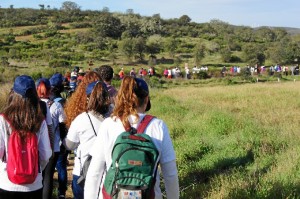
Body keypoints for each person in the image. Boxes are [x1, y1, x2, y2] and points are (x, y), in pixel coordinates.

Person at [84, 76, 179, 199]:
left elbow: (95, 173)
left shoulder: (108, 124)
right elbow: (170, 174)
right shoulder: (158, 126)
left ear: (120, 99)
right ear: (146, 100)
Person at [0, 75, 52, 199]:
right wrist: (35, 168)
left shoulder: (3, 119)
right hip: (33, 184)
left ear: (12, 93)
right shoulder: (40, 121)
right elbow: (46, 154)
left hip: (7, 183)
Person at [63, 81, 110, 199]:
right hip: (107, 173)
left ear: (88, 98)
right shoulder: (114, 120)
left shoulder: (81, 119)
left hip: (82, 173)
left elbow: (70, 145)